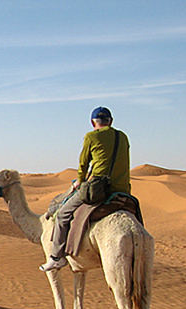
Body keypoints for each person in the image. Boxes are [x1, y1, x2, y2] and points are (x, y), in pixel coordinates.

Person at [39, 107, 131, 272]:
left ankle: (57, 257)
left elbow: (83, 164)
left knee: (62, 214)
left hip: (99, 189)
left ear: (92, 123)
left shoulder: (91, 136)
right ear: (111, 121)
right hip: (123, 189)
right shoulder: (122, 137)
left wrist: (80, 182)